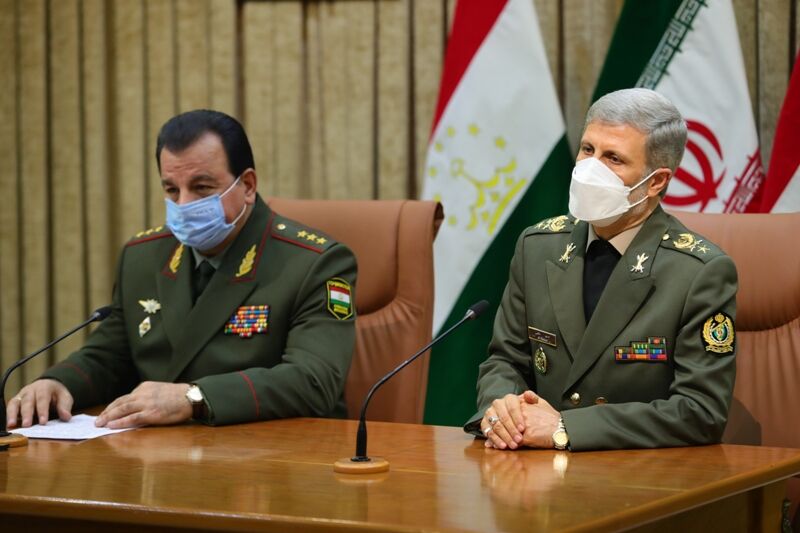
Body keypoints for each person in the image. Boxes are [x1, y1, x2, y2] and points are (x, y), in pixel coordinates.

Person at [7, 109, 357, 429]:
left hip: (271, 455)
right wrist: (58, 382)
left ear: (248, 186)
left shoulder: (313, 262)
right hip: (159, 454)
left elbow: (314, 381)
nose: (184, 204)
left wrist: (194, 398)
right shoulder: (143, 256)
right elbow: (111, 355)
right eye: (172, 190)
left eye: (202, 188)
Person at [465, 88, 737, 451]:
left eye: (614, 158)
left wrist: (566, 428)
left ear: (656, 181)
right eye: (587, 149)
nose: (590, 169)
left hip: (635, 473)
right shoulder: (538, 246)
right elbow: (505, 360)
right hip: (532, 467)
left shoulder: (698, 272)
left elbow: (700, 412)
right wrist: (503, 410)